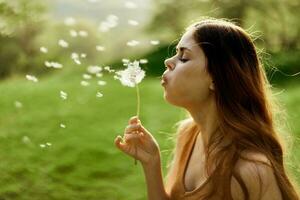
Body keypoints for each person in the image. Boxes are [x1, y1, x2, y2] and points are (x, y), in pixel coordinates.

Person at [114, 18, 300, 200]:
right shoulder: (188, 135)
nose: (168, 61)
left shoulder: (251, 171)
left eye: (184, 57)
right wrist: (151, 163)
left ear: (216, 78)